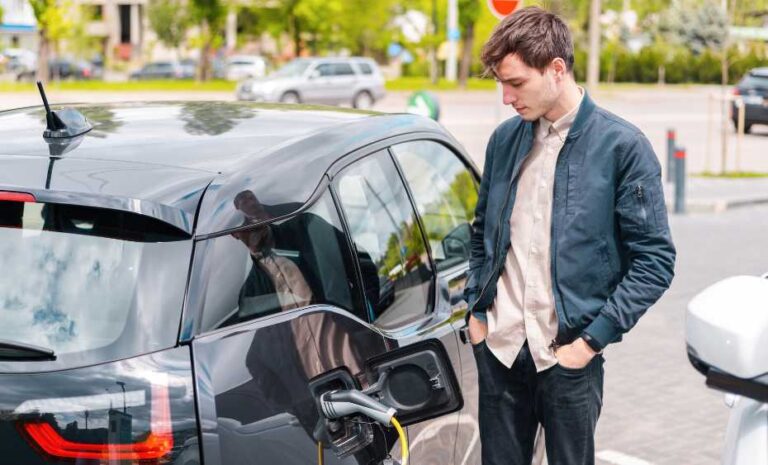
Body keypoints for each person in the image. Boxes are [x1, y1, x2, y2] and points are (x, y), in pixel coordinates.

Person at [464, 7, 676, 465]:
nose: (506, 97)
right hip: (500, 352)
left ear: (556, 69)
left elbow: (655, 260)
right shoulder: (505, 140)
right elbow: (481, 231)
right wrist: (476, 313)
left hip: (569, 359)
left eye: (516, 83)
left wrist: (591, 342)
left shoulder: (622, 147)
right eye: (501, 83)